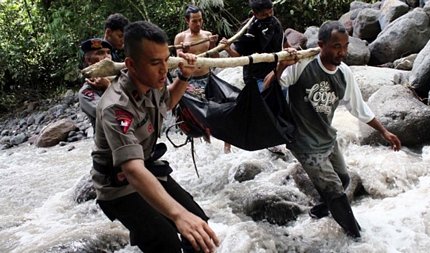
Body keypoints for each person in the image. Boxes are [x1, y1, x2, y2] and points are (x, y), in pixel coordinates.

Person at [91, 21, 220, 252]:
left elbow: (167, 103)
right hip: (119, 184)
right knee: (165, 242)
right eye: (155, 63)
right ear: (130, 64)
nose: (163, 70)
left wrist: (183, 76)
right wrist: (178, 215)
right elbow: (132, 169)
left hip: (148, 168)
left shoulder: (154, 80)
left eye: (165, 61)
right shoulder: (115, 106)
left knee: (200, 230)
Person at [264, 20, 402, 238]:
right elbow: (269, 85)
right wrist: (282, 65)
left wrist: (384, 131)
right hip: (304, 143)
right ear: (321, 45)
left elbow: (359, 108)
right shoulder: (302, 64)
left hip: (326, 138)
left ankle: (321, 209)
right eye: (337, 46)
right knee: (336, 192)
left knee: (344, 179)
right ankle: (357, 238)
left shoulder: (344, 73)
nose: (343, 52)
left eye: (346, 46)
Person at [174, 5, 231, 153]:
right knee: (200, 115)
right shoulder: (180, 38)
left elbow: (216, 59)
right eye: (194, 21)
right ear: (187, 21)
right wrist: (184, 51)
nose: (198, 24)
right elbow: (178, 62)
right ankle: (208, 145)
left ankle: (227, 145)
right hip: (191, 83)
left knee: (224, 107)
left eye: (200, 20)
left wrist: (213, 44)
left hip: (209, 78)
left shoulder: (207, 35)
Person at [221, 0, 290, 93]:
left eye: (271, 12)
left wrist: (292, 51)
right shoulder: (248, 29)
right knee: (263, 103)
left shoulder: (275, 23)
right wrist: (227, 48)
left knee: (281, 102)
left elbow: (285, 44)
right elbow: (236, 55)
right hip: (256, 78)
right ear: (255, 13)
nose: (269, 16)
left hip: (277, 73)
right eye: (264, 15)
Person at [78, 38, 113, 128]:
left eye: (108, 52)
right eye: (100, 53)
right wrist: (108, 87)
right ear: (88, 60)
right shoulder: (86, 92)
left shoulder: (119, 78)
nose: (107, 57)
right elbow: (110, 115)